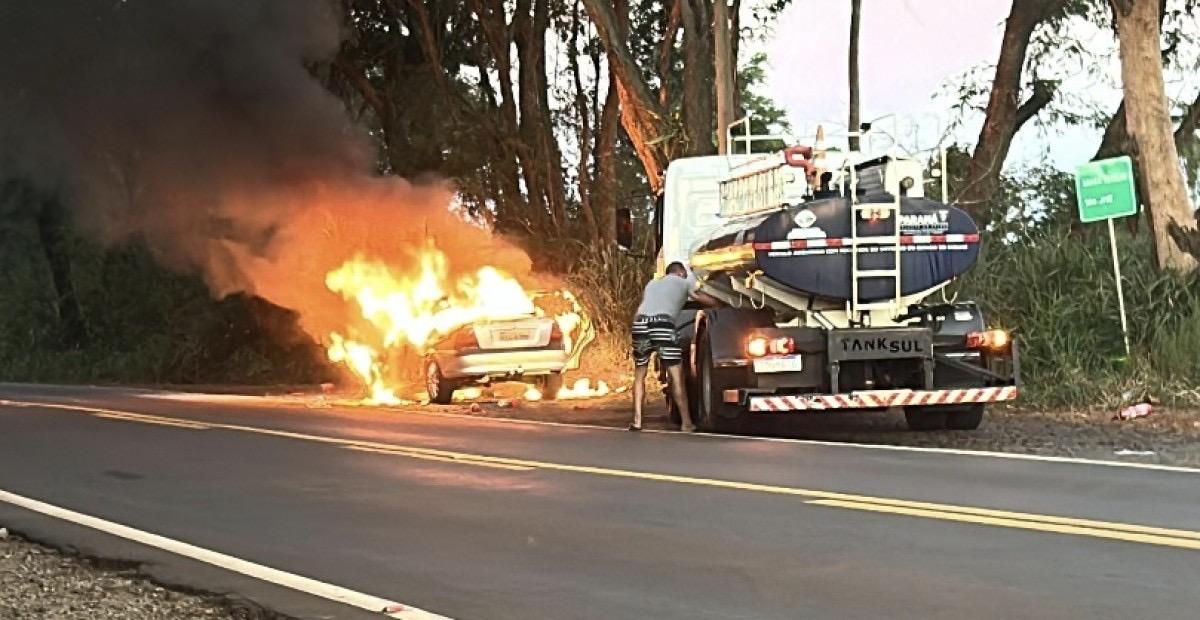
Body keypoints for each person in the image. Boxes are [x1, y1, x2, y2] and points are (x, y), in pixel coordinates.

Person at [629, 261, 719, 432]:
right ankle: (686, 422)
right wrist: (719, 304)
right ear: (680, 273)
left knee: (640, 373)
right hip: (662, 323)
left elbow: (642, 308)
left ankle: (637, 420)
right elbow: (701, 298)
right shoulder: (684, 282)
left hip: (640, 323)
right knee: (676, 374)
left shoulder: (652, 284)